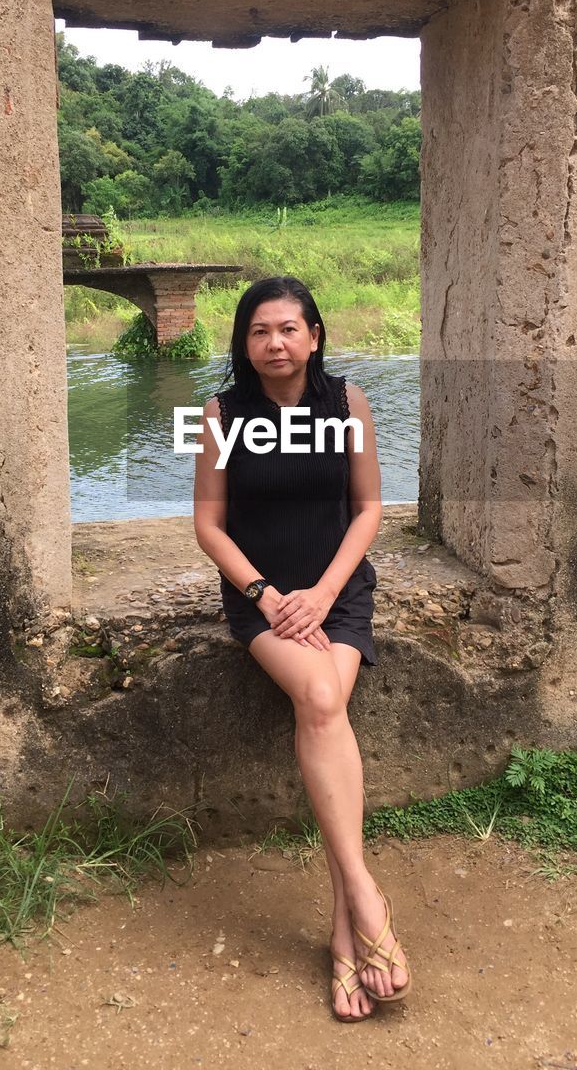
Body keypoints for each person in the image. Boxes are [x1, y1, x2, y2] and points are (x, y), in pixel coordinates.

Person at [193, 275, 412, 1023]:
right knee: (322, 697)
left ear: (314, 334)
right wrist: (266, 595)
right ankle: (363, 900)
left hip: (337, 594)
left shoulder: (348, 403)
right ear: (243, 342)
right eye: (259, 331)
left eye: (288, 328)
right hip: (262, 599)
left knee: (324, 704)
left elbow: (370, 507)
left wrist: (322, 594)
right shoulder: (222, 414)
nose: (274, 343)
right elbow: (209, 526)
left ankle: (347, 935)